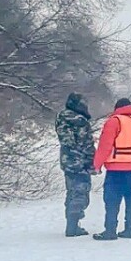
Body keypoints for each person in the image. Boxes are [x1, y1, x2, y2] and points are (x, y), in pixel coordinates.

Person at [92, 98, 131, 240]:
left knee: (112, 199)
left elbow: (105, 146)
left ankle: (110, 230)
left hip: (116, 167)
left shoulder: (114, 121)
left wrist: (97, 165)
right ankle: (130, 229)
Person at [54, 93, 94, 237]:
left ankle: (71, 224)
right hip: (80, 161)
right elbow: (87, 144)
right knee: (81, 192)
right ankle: (73, 226)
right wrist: (91, 163)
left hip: (66, 160)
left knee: (71, 191)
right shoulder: (81, 121)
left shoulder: (61, 117)